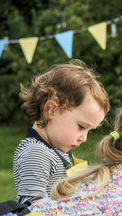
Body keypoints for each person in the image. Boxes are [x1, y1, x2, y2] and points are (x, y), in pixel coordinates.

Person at [14, 60, 110, 205]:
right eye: (81, 127)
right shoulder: (36, 152)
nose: (84, 138)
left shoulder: (53, 151)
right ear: (51, 109)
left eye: (89, 131)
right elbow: (32, 208)